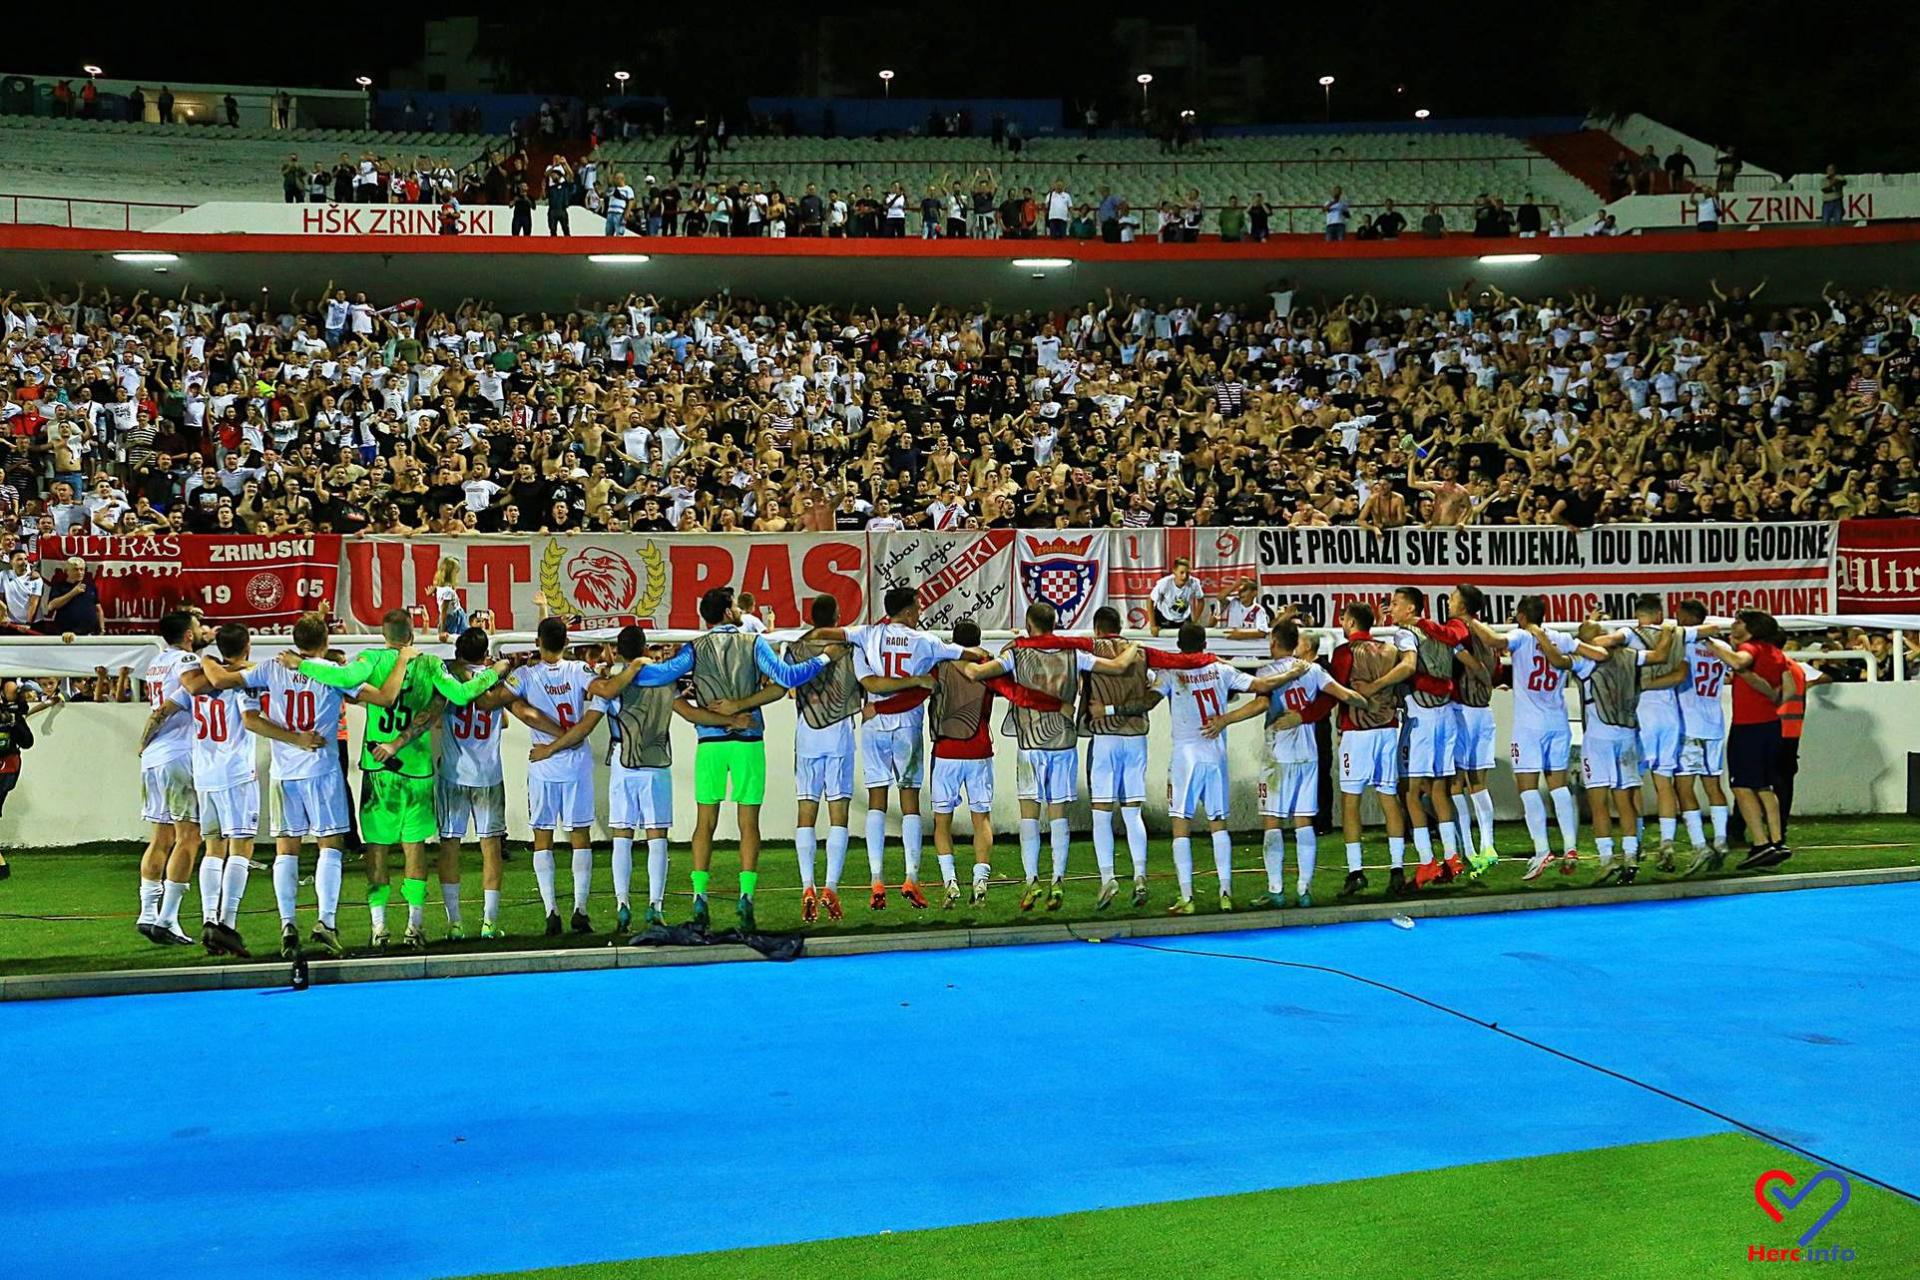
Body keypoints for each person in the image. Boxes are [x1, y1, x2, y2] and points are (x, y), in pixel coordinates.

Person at [283, 609, 507, 947]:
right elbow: (462, 695)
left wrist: (300, 664)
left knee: (377, 849)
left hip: (378, 770)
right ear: (412, 634)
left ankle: (379, 927)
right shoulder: (430, 664)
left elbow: (343, 678)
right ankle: (414, 925)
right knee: (414, 849)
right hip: (416, 772)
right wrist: (494, 672)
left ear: (384, 634)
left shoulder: (371, 659)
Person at [954, 601, 1140, 911]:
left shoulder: (1016, 653)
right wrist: (1135, 644)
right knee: (1058, 816)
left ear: (1029, 626)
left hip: (1031, 743)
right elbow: (1118, 666)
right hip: (1063, 743)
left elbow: (974, 673)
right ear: (1055, 625)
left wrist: (958, 655)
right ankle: (1058, 880)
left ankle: (1031, 881)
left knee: (1029, 814)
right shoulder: (1074, 654)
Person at [240, 612, 404, 956]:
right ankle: (326, 922)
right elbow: (384, 698)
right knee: (330, 847)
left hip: (284, 774)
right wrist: (402, 659)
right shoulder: (332, 672)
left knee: (286, 850)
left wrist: (292, 738)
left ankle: (288, 925)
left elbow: (248, 714)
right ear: (326, 641)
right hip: (322, 771)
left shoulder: (270, 668)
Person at [680, 586, 833, 932]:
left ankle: (699, 896)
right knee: (748, 823)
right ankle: (746, 896)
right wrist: (824, 658)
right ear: (727, 611)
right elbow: (787, 679)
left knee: (705, 821)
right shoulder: (753, 642)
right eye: (735, 605)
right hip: (748, 739)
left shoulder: (695, 647)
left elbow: (664, 677)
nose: (739, 610)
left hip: (710, 742)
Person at [1205, 618, 1370, 908]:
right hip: (1308, 754)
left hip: (1277, 756)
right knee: (1304, 822)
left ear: (1273, 642)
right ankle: (1304, 890)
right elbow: (1344, 695)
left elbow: (1261, 704)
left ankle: (1275, 889)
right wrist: (1368, 703)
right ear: (1296, 644)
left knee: (1273, 821)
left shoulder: (1267, 672)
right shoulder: (1313, 669)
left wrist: (1225, 720)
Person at [842, 587, 987, 911]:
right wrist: (984, 652)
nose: (920, 613)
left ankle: (876, 879)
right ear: (908, 612)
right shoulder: (925, 641)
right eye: (918, 608)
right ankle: (911, 877)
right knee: (909, 802)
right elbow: (965, 655)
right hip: (907, 724)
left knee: (877, 801)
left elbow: (869, 683)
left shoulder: (866, 638)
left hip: (874, 725)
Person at [425, 626, 565, 939]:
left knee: (450, 846)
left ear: (458, 652)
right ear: (485, 653)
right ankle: (489, 922)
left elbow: (434, 719)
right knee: (490, 848)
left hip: (452, 774)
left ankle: (455, 923)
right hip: (488, 775)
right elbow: (505, 720)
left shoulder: (448, 679)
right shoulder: (495, 680)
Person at [1144, 623, 1287, 913]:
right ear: (1204, 644)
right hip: (1215, 755)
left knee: (1181, 826)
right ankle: (1225, 893)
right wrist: (1228, 717)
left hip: (1185, 756)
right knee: (1218, 825)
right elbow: (1262, 689)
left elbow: (1149, 701)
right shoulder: (1221, 669)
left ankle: (1187, 898)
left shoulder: (1171, 672)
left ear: (1179, 646)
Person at [586, 624, 702, 931]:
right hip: (656, 761)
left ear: (617, 652)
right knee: (657, 837)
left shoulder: (612, 684)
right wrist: (727, 719)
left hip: (623, 760)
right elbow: (690, 714)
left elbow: (590, 718)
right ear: (646, 647)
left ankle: (622, 904)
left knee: (622, 836)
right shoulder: (664, 681)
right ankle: (655, 906)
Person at [1466, 596, 1584, 880]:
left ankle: (1542, 851)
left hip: (1530, 726)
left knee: (1527, 787)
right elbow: (1585, 649)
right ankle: (1570, 847)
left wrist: (1469, 619)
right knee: (1559, 785)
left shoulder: (1520, 636)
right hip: (1558, 721)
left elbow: (1493, 641)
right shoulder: (1558, 637)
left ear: (1521, 616)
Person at [502, 618, 606, 936]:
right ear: (567, 642)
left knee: (542, 838)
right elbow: (600, 691)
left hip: (543, 765)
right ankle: (581, 909)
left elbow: (500, 699)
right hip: (576, 764)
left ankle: (551, 911)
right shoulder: (579, 670)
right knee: (580, 837)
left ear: (537, 642)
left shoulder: (525, 675)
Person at [172, 625, 264, 958]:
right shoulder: (244, 681)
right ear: (248, 646)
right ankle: (227, 924)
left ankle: (209, 920)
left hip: (205, 774)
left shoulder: (200, 680)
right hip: (236, 774)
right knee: (241, 847)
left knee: (213, 848)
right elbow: (252, 718)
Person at [773, 595, 866, 921]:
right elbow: (865, 684)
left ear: (811, 617)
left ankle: (807, 886)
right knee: (838, 814)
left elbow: (787, 687)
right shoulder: (850, 647)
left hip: (807, 735)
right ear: (838, 616)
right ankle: (831, 888)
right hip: (839, 735)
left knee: (806, 812)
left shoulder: (795, 649)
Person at [1569, 613, 1678, 884]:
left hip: (1599, 736)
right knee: (1625, 799)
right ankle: (1630, 855)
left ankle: (1607, 859)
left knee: (1598, 801)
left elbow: (1561, 658)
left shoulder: (1585, 662)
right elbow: (1661, 655)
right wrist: (1667, 630)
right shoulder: (1631, 656)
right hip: (1628, 734)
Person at [134, 611, 209, 945]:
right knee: (189, 836)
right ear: (188, 635)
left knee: (160, 837)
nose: (203, 629)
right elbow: (193, 685)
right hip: (179, 754)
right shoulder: (187, 660)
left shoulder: (157, 661)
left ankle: (147, 913)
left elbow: (158, 709)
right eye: (198, 626)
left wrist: (143, 741)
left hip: (154, 756)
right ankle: (168, 918)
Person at [1389, 587, 1470, 887]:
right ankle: (1452, 857)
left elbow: (1409, 664)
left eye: (1395, 603)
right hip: (1445, 714)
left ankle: (1426, 862)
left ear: (1410, 609)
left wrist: (1380, 683)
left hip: (1420, 716)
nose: (1390, 608)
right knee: (1439, 790)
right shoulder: (1442, 632)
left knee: (1409, 791)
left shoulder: (1405, 633)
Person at [1083, 605, 1159, 907]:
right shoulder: (1139, 653)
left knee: (1101, 812)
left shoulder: (1092, 650)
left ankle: (1108, 878)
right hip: (1136, 737)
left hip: (1105, 738)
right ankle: (1140, 876)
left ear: (1097, 629)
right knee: (1132, 811)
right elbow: (1154, 688)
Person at [1704, 611, 1792, 869]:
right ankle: (1777, 840)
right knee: (1764, 786)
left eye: (1739, 622)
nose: (1733, 624)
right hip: (1771, 725)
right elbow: (1787, 691)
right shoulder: (1776, 653)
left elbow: (1739, 662)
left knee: (1741, 787)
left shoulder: (1750, 648)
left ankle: (1761, 844)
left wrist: (1708, 642)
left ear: (1751, 627)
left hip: (1749, 727)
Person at [927, 618, 1000, 908]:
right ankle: (980, 880)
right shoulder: (988, 667)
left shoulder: (940, 665)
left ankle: (950, 882)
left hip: (946, 750)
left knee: (942, 821)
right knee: (981, 819)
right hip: (980, 749)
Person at [1443, 585, 1501, 867]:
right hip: (1484, 712)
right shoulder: (1487, 633)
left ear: (1463, 606)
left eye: (1453, 598)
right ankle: (1488, 846)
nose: (1449, 601)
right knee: (1478, 783)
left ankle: (1468, 850)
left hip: (1461, 710)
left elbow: (1448, 644)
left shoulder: (1457, 628)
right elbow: (1496, 671)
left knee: (1455, 784)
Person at [1673, 598, 1733, 869]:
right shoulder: (1722, 647)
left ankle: (1699, 845)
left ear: (1686, 619)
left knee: (1683, 787)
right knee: (1713, 785)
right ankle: (1721, 840)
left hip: (1688, 725)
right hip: (1715, 725)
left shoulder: (1683, 645)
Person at [0, 678, 54, 881]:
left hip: (6, 768)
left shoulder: (13, 715)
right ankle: (1, 867)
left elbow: (27, 741)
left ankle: (2, 867)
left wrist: (13, 723)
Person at [1148, 557, 1207, 635]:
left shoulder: (1194, 582)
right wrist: (1153, 625)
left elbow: (1201, 601)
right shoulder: (1164, 583)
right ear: (1174, 571)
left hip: (1184, 618)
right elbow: (1150, 601)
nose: (1184, 576)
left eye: (1188, 573)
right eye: (1181, 572)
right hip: (1163, 618)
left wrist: (1194, 622)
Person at [432, 556, 468, 641]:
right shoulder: (447, 591)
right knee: (454, 639)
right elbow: (443, 611)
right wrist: (442, 630)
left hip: (455, 615)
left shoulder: (442, 587)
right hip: (453, 617)